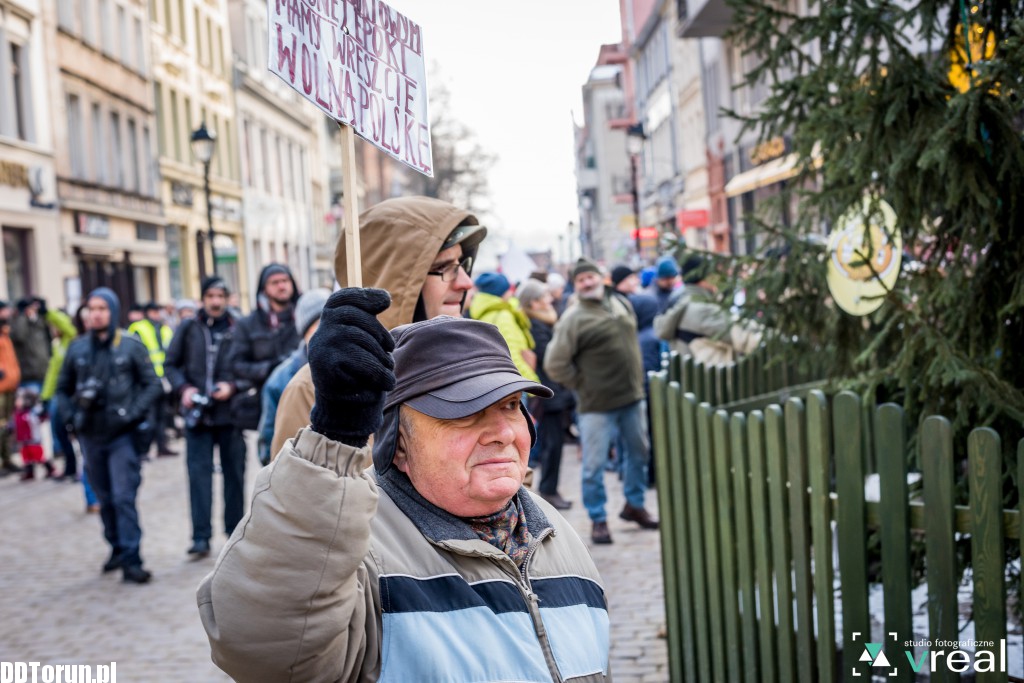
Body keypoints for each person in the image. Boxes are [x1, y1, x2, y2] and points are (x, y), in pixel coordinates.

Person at [199, 292, 610, 682]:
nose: (502, 432)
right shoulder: (356, 553)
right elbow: (269, 653)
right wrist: (335, 433)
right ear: (398, 445)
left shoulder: (554, 534)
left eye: (509, 406)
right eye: (464, 413)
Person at [270, 195, 487, 457]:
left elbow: (516, 475)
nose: (465, 282)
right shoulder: (313, 388)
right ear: (396, 280)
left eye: (462, 265)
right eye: (443, 267)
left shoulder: (468, 363)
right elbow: (297, 495)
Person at [544, 257, 659, 544]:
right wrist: (581, 385)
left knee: (638, 453)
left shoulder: (620, 302)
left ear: (601, 278)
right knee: (594, 465)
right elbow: (555, 363)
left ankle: (635, 505)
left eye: (590, 277)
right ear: (576, 286)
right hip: (596, 404)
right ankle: (598, 518)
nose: (587, 282)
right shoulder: (573, 318)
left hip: (631, 396)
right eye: (581, 280)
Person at [56, 288, 161, 583]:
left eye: (102, 307)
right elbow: (62, 389)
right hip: (90, 435)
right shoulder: (77, 349)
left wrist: (132, 413)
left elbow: (152, 384)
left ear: (112, 311)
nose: (96, 313)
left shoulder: (130, 345)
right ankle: (115, 546)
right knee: (104, 497)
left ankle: (132, 558)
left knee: (123, 496)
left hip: (123, 435)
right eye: (91, 308)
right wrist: (71, 417)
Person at [164, 277, 242, 558]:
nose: (215, 301)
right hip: (197, 417)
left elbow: (246, 366)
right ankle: (200, 536)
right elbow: (170, 365)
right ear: (203, 299)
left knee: (235, 476)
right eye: (210, 295)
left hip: (229, 415)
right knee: (198, 477)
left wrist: (232, 386)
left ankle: (234, 534)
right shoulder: (188, 327)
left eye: (220, 295)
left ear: (227, 297)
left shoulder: (237, 327)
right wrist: (184, 389)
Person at [517, 278, 575, 509]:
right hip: (548, 392)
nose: (550, 299)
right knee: (552, 443)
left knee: (556, 441)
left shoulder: (545, 321)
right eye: (545, 296)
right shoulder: (535, 324)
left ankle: (551, 488)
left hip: (555, 390)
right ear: (534, 302)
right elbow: (545, 359)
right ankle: (549, 490)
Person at [256, 288, 329, 466]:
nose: (327, 332)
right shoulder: (282, 380)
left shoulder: (355, 369)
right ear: (305, 331)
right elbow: (268, 440)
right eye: (318, 325)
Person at [228, 263, 301, 432]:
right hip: (267, 404)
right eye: (274, 282)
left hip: (303, 398)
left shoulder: (304, 318)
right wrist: (269, 368)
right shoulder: (248, 324)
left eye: (285, 280)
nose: (281, 286)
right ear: (264, 288)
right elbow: (236, 364)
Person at [653, 254, 762, 364]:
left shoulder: (682, 301)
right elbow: (742, 336)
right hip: (712, 377)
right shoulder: (702, 309)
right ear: (704, 278)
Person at [469, 272, 538, 382]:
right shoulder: (503, 315)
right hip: (517, 381)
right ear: (501, 292)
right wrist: (531, 381)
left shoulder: (486, 312)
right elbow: (511, 355)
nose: (511, 292)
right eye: (508, 289)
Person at [128, 302, 177, 456]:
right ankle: (144, 449)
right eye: (154, 311)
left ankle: (162, 446)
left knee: (163, 415)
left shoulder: (165, 329)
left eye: (158, 311)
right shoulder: (138, 328)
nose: (157, 315)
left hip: (164, 378)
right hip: (146, 380)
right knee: (149, 415)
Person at [40, 307, 80, 480]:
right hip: (58, 394)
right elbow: (52, 374)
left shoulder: (70, 340)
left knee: (74, 430)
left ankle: (81, 468)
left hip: (73, 394)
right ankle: (70, 466)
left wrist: (48, 312)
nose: (53, 329)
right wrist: (45, 396)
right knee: (59, 430)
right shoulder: (57, 346)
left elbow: (66, 327)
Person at [13, 386, 56, 480]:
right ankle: (29, 472)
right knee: (26, 457)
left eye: (19, 400)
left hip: (33, 439)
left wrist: (40, 412)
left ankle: (50, 469)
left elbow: (42, 417)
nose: (17, 402)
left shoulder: (31, 413)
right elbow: (14, 424)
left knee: (38, 456)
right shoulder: (17, 413)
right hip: (23, 439)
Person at [0, 301, 22, 476]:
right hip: (0, 387)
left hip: (10, 385)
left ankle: (7, 459)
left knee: (7, 425)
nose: (8, 313)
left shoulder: (5, 334)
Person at [10, 297, 50, 392]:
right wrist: (23, 316)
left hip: (45, 373)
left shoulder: (39, 322)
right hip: (29, 375)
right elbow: (19, 336)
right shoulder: (18, 322)